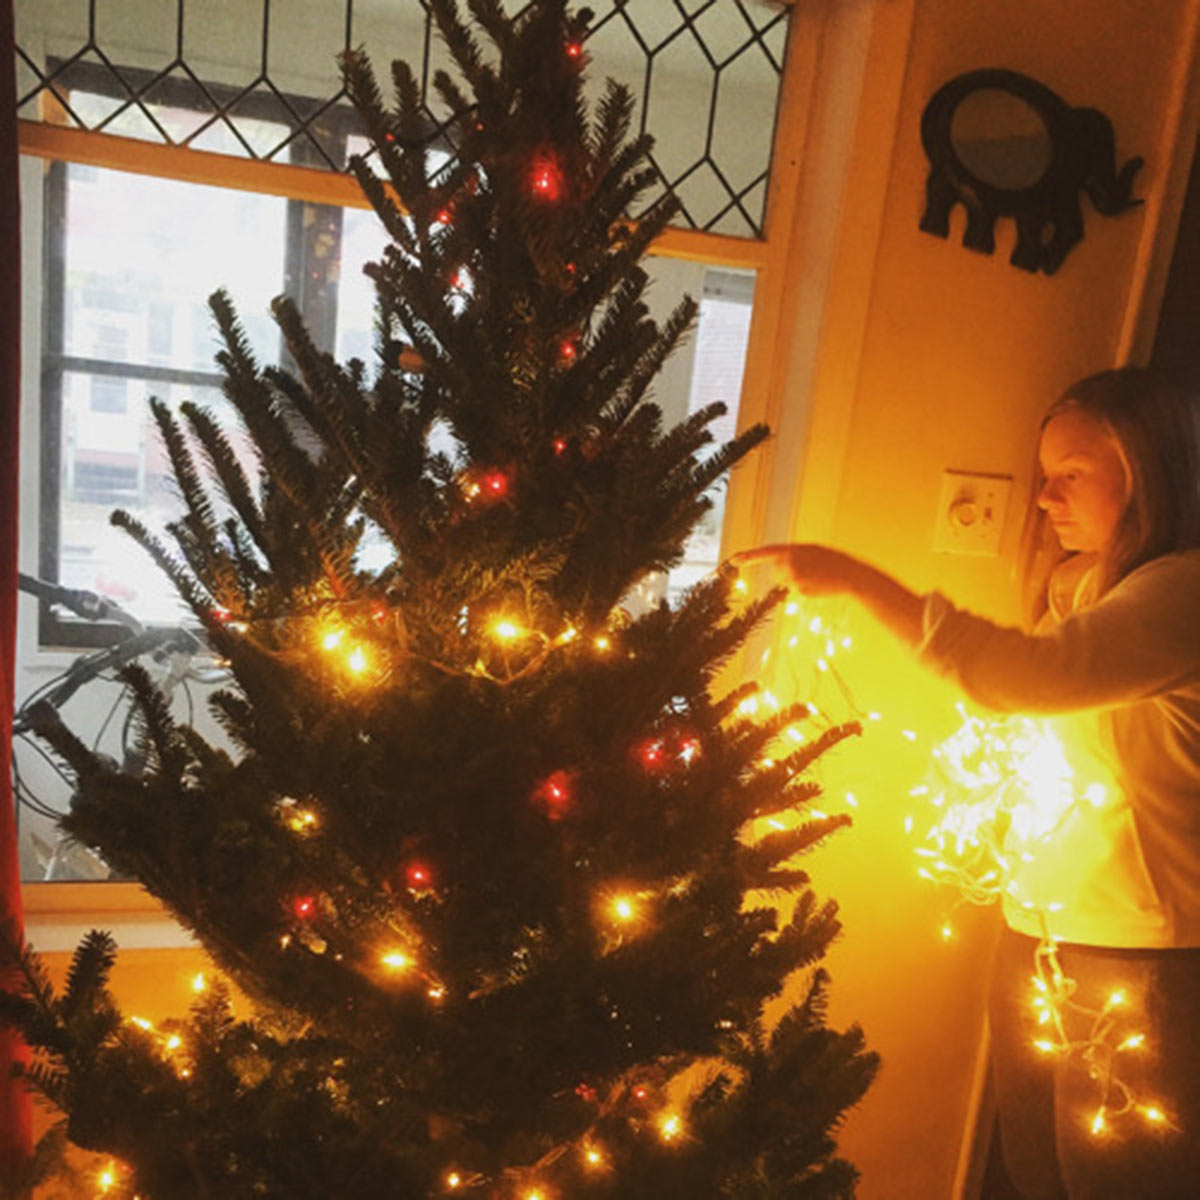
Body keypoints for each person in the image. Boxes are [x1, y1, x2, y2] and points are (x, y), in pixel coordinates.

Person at [733, 366, 1200, 1200]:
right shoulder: (1083, 588)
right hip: (1042, 932)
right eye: (1043, 474)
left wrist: (859, 581)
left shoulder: (1180, 593)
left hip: (1142, 956)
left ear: (1150, 472)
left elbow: (1030, 678)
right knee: (1034, 1172)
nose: (1045, 499)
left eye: (1071, 476)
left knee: (1116, 1184)